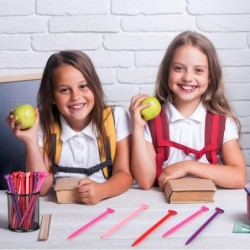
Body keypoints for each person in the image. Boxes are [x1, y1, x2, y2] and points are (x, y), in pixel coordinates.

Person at [7, 50, 133, 205]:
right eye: (64, 90)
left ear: (94, 87)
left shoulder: (116, 117)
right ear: (52, 96)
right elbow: (41, 189)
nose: (75, 96)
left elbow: (124, 174)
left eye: (83, 86)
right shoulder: (43, 124)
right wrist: (30, 142)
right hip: (56, 207)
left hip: (106, 203)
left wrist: (102, 191)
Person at [129, 31, 246, 190]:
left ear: (210, 77)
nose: (187, 78)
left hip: (208, 206)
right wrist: (137, 128)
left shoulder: (223, 123)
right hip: (161, 207)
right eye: (179, 68)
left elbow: (239, 177)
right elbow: (145, 181)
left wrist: (188, 166)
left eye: (198, 70)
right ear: (167, 72)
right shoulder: (150, 122)